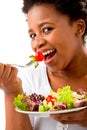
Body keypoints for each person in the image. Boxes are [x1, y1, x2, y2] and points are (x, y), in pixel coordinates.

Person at [0, 0, 87, 130]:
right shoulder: (28, 81)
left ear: (79, 27)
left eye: (47, 29)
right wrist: (12, 92)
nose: (37, 43)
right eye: (33, 35)